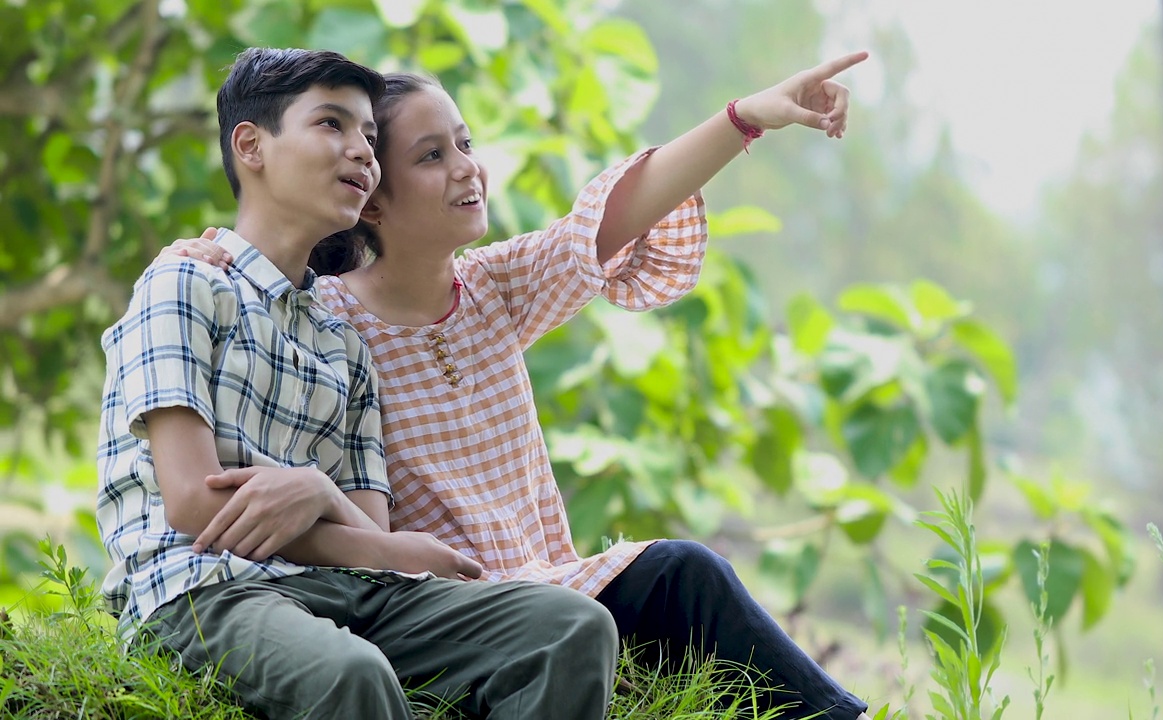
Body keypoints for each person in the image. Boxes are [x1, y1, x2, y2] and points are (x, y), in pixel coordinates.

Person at [169, 52, 872, 719]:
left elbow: (620, 210)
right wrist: (207, 249)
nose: (466, 169)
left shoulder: (492, 288)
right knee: (682, 571)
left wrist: (748, 116)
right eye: (431, 156)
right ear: (371, 200)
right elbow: (252, 281)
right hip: (442, 604)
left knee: (683, 574)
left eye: (466, 143)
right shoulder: (325, 325)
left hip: (552, 589)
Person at [100, 46, 618, 720]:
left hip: (344, 590)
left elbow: (366, 520)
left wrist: (318, 493)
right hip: (203, 590)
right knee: (351, 674)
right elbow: (198, 507)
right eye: (331, 126)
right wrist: (387, 545)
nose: (361, 154)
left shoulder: (341, 340)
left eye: (370, 137)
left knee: (572, 626)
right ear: (251, 147)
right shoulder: (185, 284)